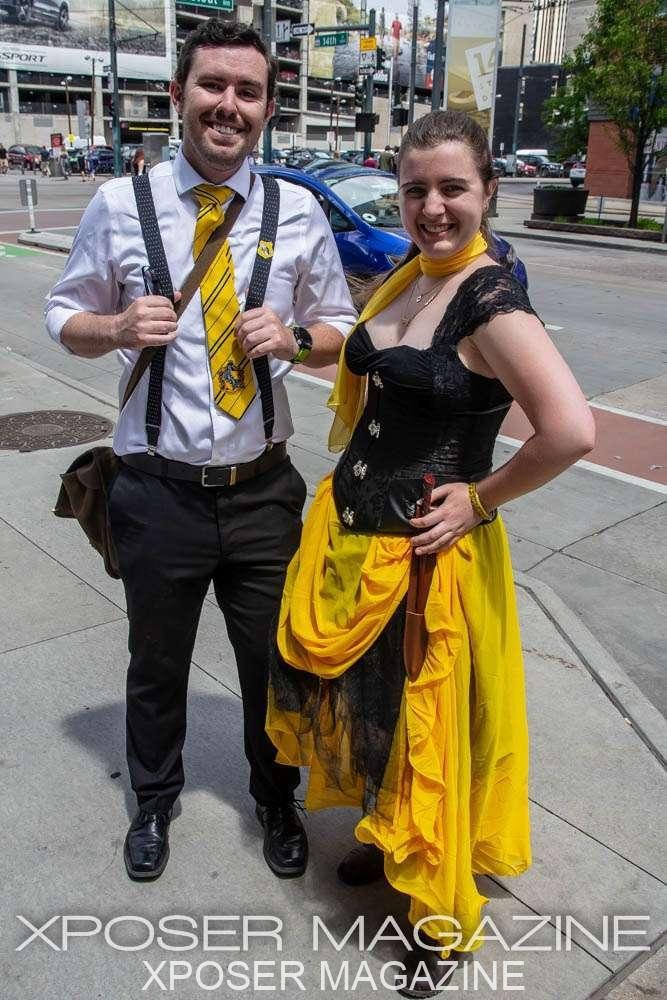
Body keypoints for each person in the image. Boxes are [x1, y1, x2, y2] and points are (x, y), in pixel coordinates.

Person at [266, 110, 595, 997]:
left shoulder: (490, 300)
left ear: (489, 190)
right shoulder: (409, 277)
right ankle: (390, 840)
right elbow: (359, 360)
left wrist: (480, 499)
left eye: (452, 187)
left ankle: (438, 922)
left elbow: (569, 431)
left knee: (426, 734)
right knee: (373, 715)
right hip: (356, 537)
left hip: (425, 558)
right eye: (415, 190)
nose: (432, 207)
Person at [45, 20, 356, 884]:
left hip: (262, 491)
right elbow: (61, 313)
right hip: (157, 490)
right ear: (178, 95)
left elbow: (342, 326)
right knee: (156, 663)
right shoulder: (121, 204)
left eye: (247, 91)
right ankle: (153, 800)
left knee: (274, 666)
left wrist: (296, 338)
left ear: (267, 107)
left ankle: (274, 798)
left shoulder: (296, 210)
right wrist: (114, 326)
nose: (228, 105)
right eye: (212, 85)